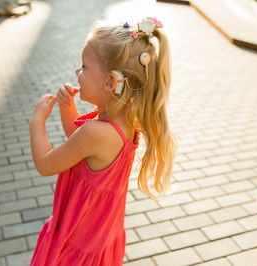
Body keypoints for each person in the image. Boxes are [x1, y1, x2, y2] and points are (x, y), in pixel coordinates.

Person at [29, 17, 177, 266]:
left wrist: (36, 121)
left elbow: (46, 164)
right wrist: (68, 108)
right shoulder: (123, 125)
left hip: (74, 246)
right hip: (99, 242)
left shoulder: (97, 132)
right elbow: (78, 149)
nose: (77, 72)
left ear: (111, 82)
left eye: (84, 67)